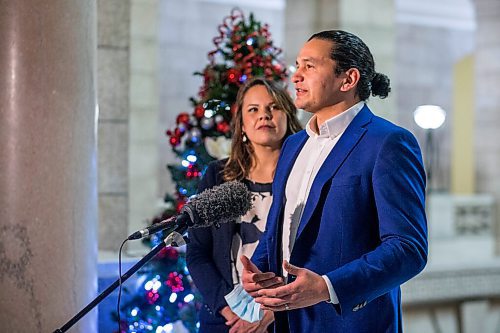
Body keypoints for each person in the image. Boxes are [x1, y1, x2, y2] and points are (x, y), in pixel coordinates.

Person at [240, 30, 428, 333]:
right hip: (289, 322)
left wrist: (327, 287)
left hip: (352, 323)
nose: (296, 76)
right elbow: (279, 228)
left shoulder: (388, 143)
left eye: (309, 66)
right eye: (297, 66)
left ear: (348, 79)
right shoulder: (293, 145)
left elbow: (408, 249)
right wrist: (258, 270)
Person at [186, 77, 302, 333]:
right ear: (242, 124)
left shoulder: (303, 177)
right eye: (254, 109)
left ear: (289, 117)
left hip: (285, 318)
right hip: (225, 320)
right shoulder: (217, 176)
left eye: (274, 107)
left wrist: (268, 314)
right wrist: (231, 310)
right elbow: (197, 252)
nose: (264, 115)